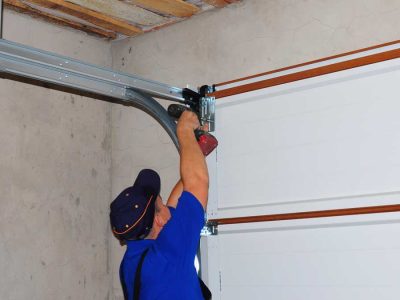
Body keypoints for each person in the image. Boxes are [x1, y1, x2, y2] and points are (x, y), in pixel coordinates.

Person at [110, 110, 210, 300]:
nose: (167, 204)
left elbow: (182, 196)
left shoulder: (132, 261)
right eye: (161, 202)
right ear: (158, 220)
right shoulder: (167, 255)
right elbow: (197, 182)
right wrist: (184, 131)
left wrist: (196, 152)